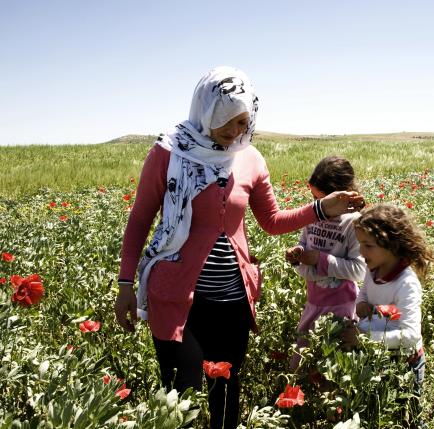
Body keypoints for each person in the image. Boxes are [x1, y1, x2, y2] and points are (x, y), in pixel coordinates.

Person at [113, 66, 363, 429]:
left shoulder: (250, 158)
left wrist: (323, 208)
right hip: (175, 296)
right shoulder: (169, 154)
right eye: (226, 122)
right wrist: (124, 286)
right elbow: (139, 220)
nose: (235, 132)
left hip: (232, 299)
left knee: (226, 394)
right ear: (204, 111)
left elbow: (272, 221)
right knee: (180, 397)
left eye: (243, 122)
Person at [350, 203, 434, 424]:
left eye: (367, 245)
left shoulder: (406, 284)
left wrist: (363, 338)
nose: (361, 252)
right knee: (382, 413)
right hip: (380, 358)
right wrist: (361, 304)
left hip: (406, 363)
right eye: (360, 244)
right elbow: (364, 294)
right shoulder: (373, 270)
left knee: (409, 417)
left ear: (392, 245)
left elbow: (410, 337)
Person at [284, 156, 367, 368]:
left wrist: (319, 260)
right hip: (313, 303)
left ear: (342, 196)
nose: (319, 206)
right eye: (314, 199)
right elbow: (304, 243)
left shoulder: (353, 223)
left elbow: (359, 270)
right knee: (300, 366)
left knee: (333, 369)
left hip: (341, 308)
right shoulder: (314, 214)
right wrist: (298, 254)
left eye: (323, 201)